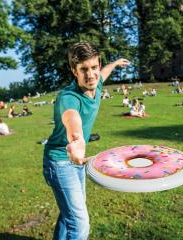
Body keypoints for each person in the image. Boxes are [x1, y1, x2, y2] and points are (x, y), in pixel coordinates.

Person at [43, 42, 130, 240]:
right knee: (80, 224)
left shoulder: (97, 82)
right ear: (74, 71)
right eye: (83, 69)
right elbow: (71, 118)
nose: (90, 74)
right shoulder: (69, 97)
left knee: (70, 215)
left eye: (94, 67)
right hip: (60, 162)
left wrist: (115, 63)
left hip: (77, 161)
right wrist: (77, 141)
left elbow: (104, 72)